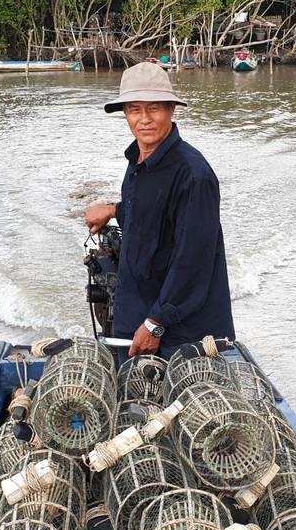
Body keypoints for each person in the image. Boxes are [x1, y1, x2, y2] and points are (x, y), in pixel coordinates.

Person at [85, 63, 234, 358]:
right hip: (134, 312)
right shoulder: (137, 160)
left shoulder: (194, 175)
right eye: (134, 109)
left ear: (171, 110)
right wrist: (114, 210)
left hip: (180, 332)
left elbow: (192, 260)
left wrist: (155, 323)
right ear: (124, 113)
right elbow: (152, 216)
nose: (144, 120)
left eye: (154, 109)